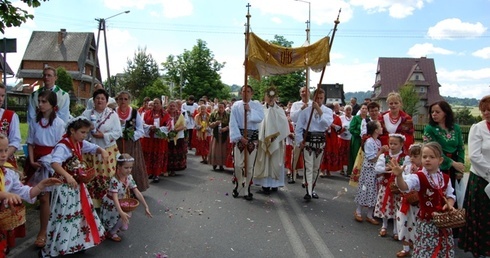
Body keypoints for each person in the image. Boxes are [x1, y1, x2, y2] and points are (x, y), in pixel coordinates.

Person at [42, 117, 109, 258]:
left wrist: (101, 150)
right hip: (65, 187)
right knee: (65, 215)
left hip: (76, 186)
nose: (85, 136)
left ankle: (75, 243)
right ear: (72, 131)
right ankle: (59, 246)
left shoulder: (78, 143)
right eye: (82, 132)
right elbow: (55, 163)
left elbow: (91, 147)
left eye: (86, 133)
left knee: (79, 214)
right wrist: (68, 176)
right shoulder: (63, 146)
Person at [390, 142, 456, 258]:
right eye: (424, 157)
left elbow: (450, 195)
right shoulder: (419, 177)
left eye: (432, 157)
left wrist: (449, 205)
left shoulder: (445, 178)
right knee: (425, 252)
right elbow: (405, 186)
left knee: (443, 251)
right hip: (427, 224)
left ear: (440, 160)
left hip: (443, 223)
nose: (427, 160)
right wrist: (399, 176)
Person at [0, 134, 62, 257]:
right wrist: (5, 194)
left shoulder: (8, 173)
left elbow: (24, 192)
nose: (4, 155)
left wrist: (40, 186)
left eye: (6, 150)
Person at [24, 90, 65, 248]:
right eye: (39, 101)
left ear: (52, 105)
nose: (40, 104)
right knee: (39, 197)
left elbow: (60, 146)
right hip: (37, 163)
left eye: (44, 102)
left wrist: (49, 161)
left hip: (51, 162)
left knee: (46, 198)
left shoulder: (59, 123)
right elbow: (30, 142)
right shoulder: (34, 121)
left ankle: (45, 230)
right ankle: (42, 229)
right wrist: (33, 160)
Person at [458, 95, 490, 257]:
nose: (486, 113)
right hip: (481, 178)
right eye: (483, 110)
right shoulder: (477, 128)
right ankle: (479, 251)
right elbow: (475, 156)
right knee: (482, 218)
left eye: (489, 110)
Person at [82, 89, 122, 208]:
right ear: (93, 100)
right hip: (92, 150)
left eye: (102, 98)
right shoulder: (86, 114)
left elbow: (118, 132)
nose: (100, 100)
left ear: (106, 101)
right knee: (92, 176)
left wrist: (103, 135)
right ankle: (93, 203)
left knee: (108, 175)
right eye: (97, 98)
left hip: (108, 150)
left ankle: (110, 201)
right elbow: (80, 130)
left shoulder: (112, 114)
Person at [423, 100, 465, 212]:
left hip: (454, 164)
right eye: (432, 112)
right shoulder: (430, 129)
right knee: (439, 193)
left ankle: (452, 221)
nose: (434, 114)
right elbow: (434, 149)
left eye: (437, 112)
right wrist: (452, 163)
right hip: (438, 164)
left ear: (445, 112)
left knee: (453, 193)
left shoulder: (455, 128)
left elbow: (461, 147)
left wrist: (459, 168)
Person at [100, 153, 152, 242]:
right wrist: (120, 212)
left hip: (120, 201)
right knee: (118, 219)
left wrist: (146, 206)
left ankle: (115, 228)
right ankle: (111, 232)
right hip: (112, 203)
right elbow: (115, 197)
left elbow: (137, 192)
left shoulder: (129, 177)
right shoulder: (114, 180)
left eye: (130, 168)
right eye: (126, 168)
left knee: (124, 225)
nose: (129, 170)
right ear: (119, 167)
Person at [295, 88, 333, 201]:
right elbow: (298, 128)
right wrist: (299, 141)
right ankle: (308, 190)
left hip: (320, 141)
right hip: (308, 140)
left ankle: (313, 188)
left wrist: (319, 110)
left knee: (316, 168)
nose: (319, 100)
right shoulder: (306, 111)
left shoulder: (327, 111)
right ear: (314, 98)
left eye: (321, 98)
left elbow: (326, 124)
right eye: (317, 98)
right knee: (309, 166)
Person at [229, 85, 264, 200]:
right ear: (240, 93)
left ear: (251, 93)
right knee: (238, 165)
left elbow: (260, 118)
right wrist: (238, 137)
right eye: (243, 91)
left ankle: (247, 189)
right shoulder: (236, 105)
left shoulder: (257, 105)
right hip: (240, 138)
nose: (245, 93)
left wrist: (250, 110)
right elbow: (232, 122)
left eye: (248, 91)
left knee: (249, 167)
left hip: (252, 139)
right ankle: (239, 184)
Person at [374, 133, 410, 239]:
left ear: (401, 144)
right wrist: (387, 169)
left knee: (396, 207)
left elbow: (407, 171)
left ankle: (395, 229)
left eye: (395, 144)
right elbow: (377, 168)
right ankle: (384, 226)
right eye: (391, 143)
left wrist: (399, 172)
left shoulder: (405, 157)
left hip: (397, 187)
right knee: (385, 206)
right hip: (386, 185)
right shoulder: (384, 156)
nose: (392, 146)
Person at [254, 88, 290, 194]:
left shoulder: (279, 110)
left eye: (272, 97)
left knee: (274, 162)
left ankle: (275, 184)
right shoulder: (261, 109)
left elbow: (284, 124)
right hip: (263, 140)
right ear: (265, 97)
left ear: (275, 98)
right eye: (268, 96)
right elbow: (258, 122)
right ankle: (265, 184)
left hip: (276, 141)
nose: (270, 99)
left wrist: (274, 135)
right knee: (264, 161)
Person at [354, 121, 389, 223]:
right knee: (365, 189)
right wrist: (381, 151)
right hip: (369, 169)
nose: (382, 128)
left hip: (375, 170)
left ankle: (370, 214)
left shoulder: (377, 141)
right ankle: (358, 211)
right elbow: (371, 158)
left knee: (374, 191)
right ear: (375, 130)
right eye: (380, 127)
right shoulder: (369, 142)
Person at [115, 91, 149, 192]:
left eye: (125, 99)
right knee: (118, 164)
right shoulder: (112, 112)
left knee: (132, 165)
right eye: (120, 99)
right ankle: (117, 189)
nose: (123, 101)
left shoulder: (134, 112)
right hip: (117, 143)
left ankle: (133, 190)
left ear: (129, 100)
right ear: (117, 100)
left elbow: (140, 129)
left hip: (132, 144)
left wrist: (130, 135)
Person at [396, 144, 422, 257]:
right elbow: (403, 181)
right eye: (411, 156)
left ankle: (417, 247)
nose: (412, 159)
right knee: (403, 223)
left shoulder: (423, 171)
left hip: (417, 205)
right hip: (405, 201)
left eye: (415, 156)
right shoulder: (406, 167)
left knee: (415, 225)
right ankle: (405, 247)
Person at [141, 98, 171, 182]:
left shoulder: (165, 114)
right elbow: (142, 123)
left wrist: (158, 129)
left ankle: (157, 173)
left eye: (157, 103)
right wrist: (150, 127)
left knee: (158, 156)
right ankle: (149, 172)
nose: (155, 105)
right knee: (148, 155)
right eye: (154, 103)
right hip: (149, 139)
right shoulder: (146, 113)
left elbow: (169, 126)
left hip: (159, 140)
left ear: (161, 105)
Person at [289, 86, 312, 184]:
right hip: (298, 132)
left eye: (305, 91)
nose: (304, 93)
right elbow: (293, 118)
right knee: (295, 155)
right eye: (302, 91)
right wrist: (301, 109)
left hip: (309, 132)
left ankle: (306, 180)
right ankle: (293, 175)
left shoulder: (312, 104)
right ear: (300, 93)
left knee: (308, 157)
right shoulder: (295, 104)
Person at [0, 83, 21, 169]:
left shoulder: (10, 116)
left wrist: (3, 156)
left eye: (2, 96)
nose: (0, 99)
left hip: (6, 163)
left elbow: (15, 141)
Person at [347, 103, 368, 179]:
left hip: (366, 140)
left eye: (366, 108)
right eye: (363, 108)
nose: (364, 110)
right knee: (355, 155)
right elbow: (351, 129)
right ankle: (353, 173)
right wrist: (359, 134)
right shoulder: (356, 118)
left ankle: (362, 173)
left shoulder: (368, 119)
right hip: (356, 139)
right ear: (360, 109)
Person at [320, 104, 342, 177]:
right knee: (323, 153)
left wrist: (332, 125)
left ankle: (328, 170)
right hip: (324, 137)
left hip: (332, 138)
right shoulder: (322, 117)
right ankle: (322, 170)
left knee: (330, 153)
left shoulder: (336, 118)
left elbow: (339, 128)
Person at [166, 101, 187, 176]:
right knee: (168, 154)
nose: (172, 107)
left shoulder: (179, 114)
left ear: (176, 107)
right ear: (168, 107)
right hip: (167, 137)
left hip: (178, 136)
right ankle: (167, 169)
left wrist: (175, 130)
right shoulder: (165, 114)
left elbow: (184, 125)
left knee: (176, 154)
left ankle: (174, 170)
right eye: (170, 106)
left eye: (173, 106)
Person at [208, 102, 230, 171]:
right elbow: (209, 124)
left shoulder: (228, 115)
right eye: (219, 107)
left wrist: (226, 128)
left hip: (224, 135)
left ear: (224, 108)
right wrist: (215, 123)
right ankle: (214, 163)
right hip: (216, 135)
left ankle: (221, 165)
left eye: (222, 108)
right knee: (215, 150)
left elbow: (232, 124)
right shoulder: (213, 114)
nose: (220, 109)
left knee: (223, 150)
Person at [339, 105, 353, 175]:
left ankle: (348, 169)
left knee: (349, 154)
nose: (348, 111)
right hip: (342, 138)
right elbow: (338, 128)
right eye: (347, 110)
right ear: (344, 111)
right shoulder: (341, 118)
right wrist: (343, 129)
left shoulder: (354, 118)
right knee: (341, 153)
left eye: (349, 110)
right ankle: (341, 169)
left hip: (350, 139)